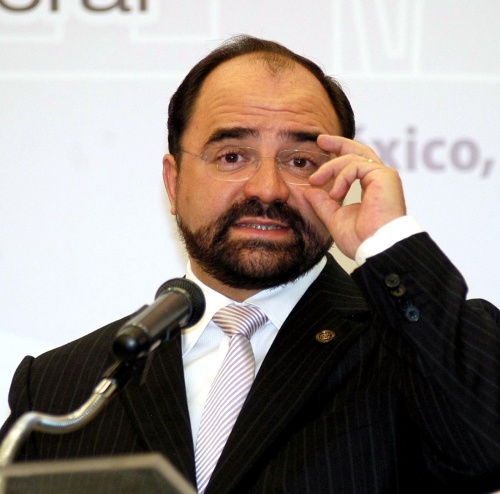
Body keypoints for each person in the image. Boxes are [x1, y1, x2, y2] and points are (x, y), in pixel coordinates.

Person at [1, 35, 500, 494]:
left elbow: (487, 449)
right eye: (232, 156)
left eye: (300, 162)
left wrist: (386, 240)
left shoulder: (414, 347)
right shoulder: (61, 387)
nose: (267, 189)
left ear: (339, 180)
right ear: (173, 183)